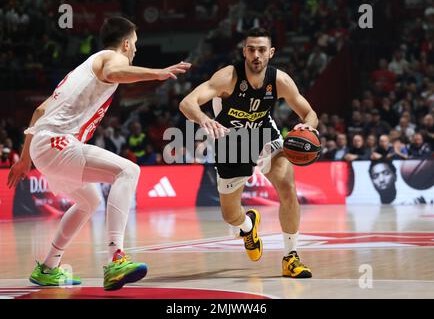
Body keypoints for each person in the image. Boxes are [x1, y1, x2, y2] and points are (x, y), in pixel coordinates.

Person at [7, 16, 191, 290]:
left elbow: (39, 112)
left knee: (89, 201)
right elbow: (115, 73)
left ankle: (48, 266)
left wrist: (24, 160)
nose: (136, 50)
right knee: (129, 170)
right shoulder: (111, 57)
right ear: (126, 44)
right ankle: (116, 258)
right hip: (59, 143)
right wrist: (157, 73)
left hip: (45, 146)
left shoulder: (83, 68)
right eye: (136, 44)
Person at [180, 28, 318, 278]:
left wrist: (308, 125)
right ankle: (247, 227)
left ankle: (291, 256)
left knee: (287, 187)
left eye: (262, 50)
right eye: (251, 49)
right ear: (244, 51)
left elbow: (310, 113)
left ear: (271, 53)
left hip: (264, 133)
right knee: (230, 214)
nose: (256, 54)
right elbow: (187, 103)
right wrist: (203, 119)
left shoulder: (279, 80)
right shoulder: (228, 77)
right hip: (232, 143)